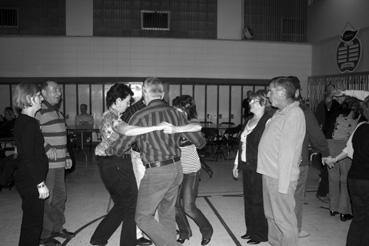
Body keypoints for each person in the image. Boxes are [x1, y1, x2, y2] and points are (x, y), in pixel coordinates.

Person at [108, 77, 206, 246]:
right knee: (166, 214)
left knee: (142, 217)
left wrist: (109, 149)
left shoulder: (140, 115)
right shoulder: (177, 114)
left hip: (157, 172)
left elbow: (120, 147)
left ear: (145, 92)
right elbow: (200, 142)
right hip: (177, 169)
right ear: (162, 93)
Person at [91, 83, 167, 246]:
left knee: (121, 204)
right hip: (116, 163)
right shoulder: (111, 118)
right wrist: (153, 128)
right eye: (126, 101)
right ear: (117, 100)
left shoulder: (110, 116)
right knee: (132, 203)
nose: (128, 104)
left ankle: (98, 238)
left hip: (110, 163)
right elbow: (126, 131)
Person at [257, 76, 306, 246]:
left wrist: (284, 185)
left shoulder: (294, 114)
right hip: (270, 174)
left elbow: (288, 153)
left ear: (283, 92)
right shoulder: (280, 112)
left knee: (284, 220)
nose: (268, 94)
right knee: (271, 217)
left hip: (280, 177)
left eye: (271, 90)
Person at [323, 90, 369, 246]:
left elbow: (349, 149)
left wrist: (333, 158)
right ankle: (343, 211)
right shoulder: (356, 120)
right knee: (342, 180)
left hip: (335, 149)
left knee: (335, 180)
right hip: (348, 152)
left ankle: (333, 208)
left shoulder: (352, 121)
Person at [289, 76, 330, 238]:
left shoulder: (277, 111)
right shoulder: (303, 111)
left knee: (282, 196)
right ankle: (295, 229)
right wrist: (325, 152)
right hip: (298, 161)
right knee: (296, 197)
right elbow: (316, 135)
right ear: (298, 91)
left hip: (280, 161)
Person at [36, 81, 74, 246]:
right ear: (43, 92)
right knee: (47, 200)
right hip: (48, 165)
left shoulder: (57, 113)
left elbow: (62, 138)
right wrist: (45, 146)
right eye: (55, 90)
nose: (59, 93)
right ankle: (44, 235)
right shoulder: (39, 112)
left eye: (59, 90)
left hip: (59, 164)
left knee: (60, 197)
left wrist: (66, 155)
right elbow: (34, 134)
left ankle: (57, 228)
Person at [173, 95, 213, 245]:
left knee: (188, 207)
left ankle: (207, 230)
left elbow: (201, 143)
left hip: (191, 169)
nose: (176, 112)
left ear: (187, 109)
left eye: (180, 109)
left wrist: (180, 126)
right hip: (175, 170)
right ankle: (184, 231)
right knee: (174, 206)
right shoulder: (171, 123)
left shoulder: (192, 122)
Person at [233, 90, 272, 245]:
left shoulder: (268, 121)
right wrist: (236, 163)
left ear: (262, 103)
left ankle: (261, 234)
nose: (249, 103)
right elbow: (242, 145)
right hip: (247, 166)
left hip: (259, 167)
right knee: (249, 200)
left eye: (253, 101)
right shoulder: (249, 120)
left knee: (258, 201)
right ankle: (251, 230)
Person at [13, 83, 49, 246]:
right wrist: (39, 183)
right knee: (33, 224)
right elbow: (27, 157)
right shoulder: (29, 123)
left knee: (31, 221)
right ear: (29, 98)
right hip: (31, 180)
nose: (42, 98)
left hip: (29, 178)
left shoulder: (25, 120)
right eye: (39, 95)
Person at [120, 98, 152, 246]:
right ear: (145, 92)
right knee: (141, 194)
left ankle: (154, 229)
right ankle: (138, 234)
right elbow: (123, 132)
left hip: (157, 157)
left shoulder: (160, 106)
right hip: (139, 156)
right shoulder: (132, 110)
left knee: (155, 195)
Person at [325, 96, 359, 221]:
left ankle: (333, 207)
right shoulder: (358, 118)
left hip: (332, 144)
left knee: (333, 178)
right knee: (345, 180)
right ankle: (344, 211)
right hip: (346, 147)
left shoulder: (337, 115)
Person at [315, 85, 340, 202]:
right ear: (326, 91)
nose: (332, 91)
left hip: (336, 138)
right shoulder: (323, 105)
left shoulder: (337, 104)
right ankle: (323, 192)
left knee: (329, 167)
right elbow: (318, 123)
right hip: (327, 139)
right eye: (330, 89)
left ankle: (326, 191)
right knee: (327, 167)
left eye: (334, 89)